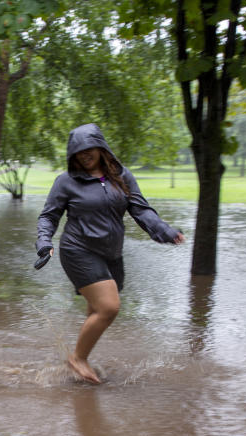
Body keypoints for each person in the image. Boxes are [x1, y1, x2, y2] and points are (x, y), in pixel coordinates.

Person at [35, 123, 185, 384]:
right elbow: (49, 216)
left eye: (88, 149)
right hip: (78, 250)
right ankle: (77, 359)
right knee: (109, 307)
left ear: (101, 148)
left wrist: (165, 231)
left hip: (111, 253)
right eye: (78, 152)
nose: (84, 155)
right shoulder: (66, 182)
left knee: (96, 309)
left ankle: (78, 367)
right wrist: (44, 241)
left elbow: (140, 210)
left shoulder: (121, 176)